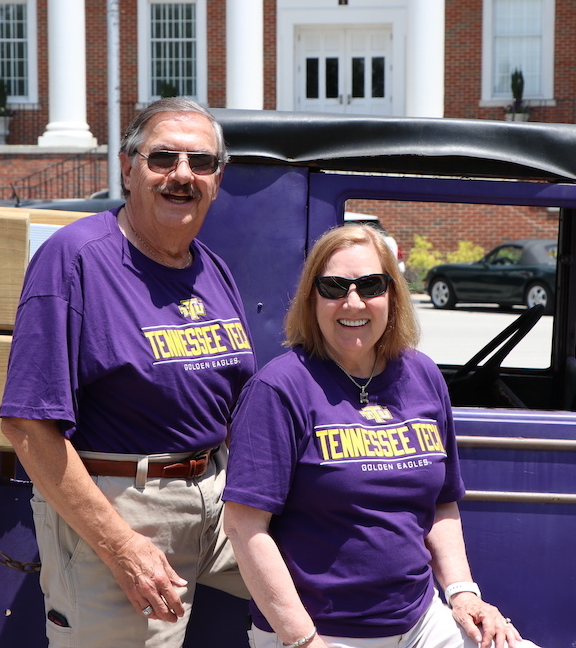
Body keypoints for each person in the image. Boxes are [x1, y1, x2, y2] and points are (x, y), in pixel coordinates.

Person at [0, 98, 256, 648]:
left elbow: (234, 405)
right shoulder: (76, 258)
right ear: (128, 166)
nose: (182, 175)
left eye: (202, 163)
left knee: (321, 583)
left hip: (217, 495)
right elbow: (26, 424)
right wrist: (121, 545)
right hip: (124, 505)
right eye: (164, 158)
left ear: (218, 178)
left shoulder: (211, 268)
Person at [223, 224, 540, 648]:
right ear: (311, 297)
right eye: (334, 286)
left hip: (420, 619)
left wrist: (463, 593)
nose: (352, 301)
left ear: (392, 294)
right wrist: (303, 640)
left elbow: (441, 504)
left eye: (370, 284)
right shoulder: (279, 389)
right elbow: (245, 528)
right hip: (320, 631)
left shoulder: (422, 374)